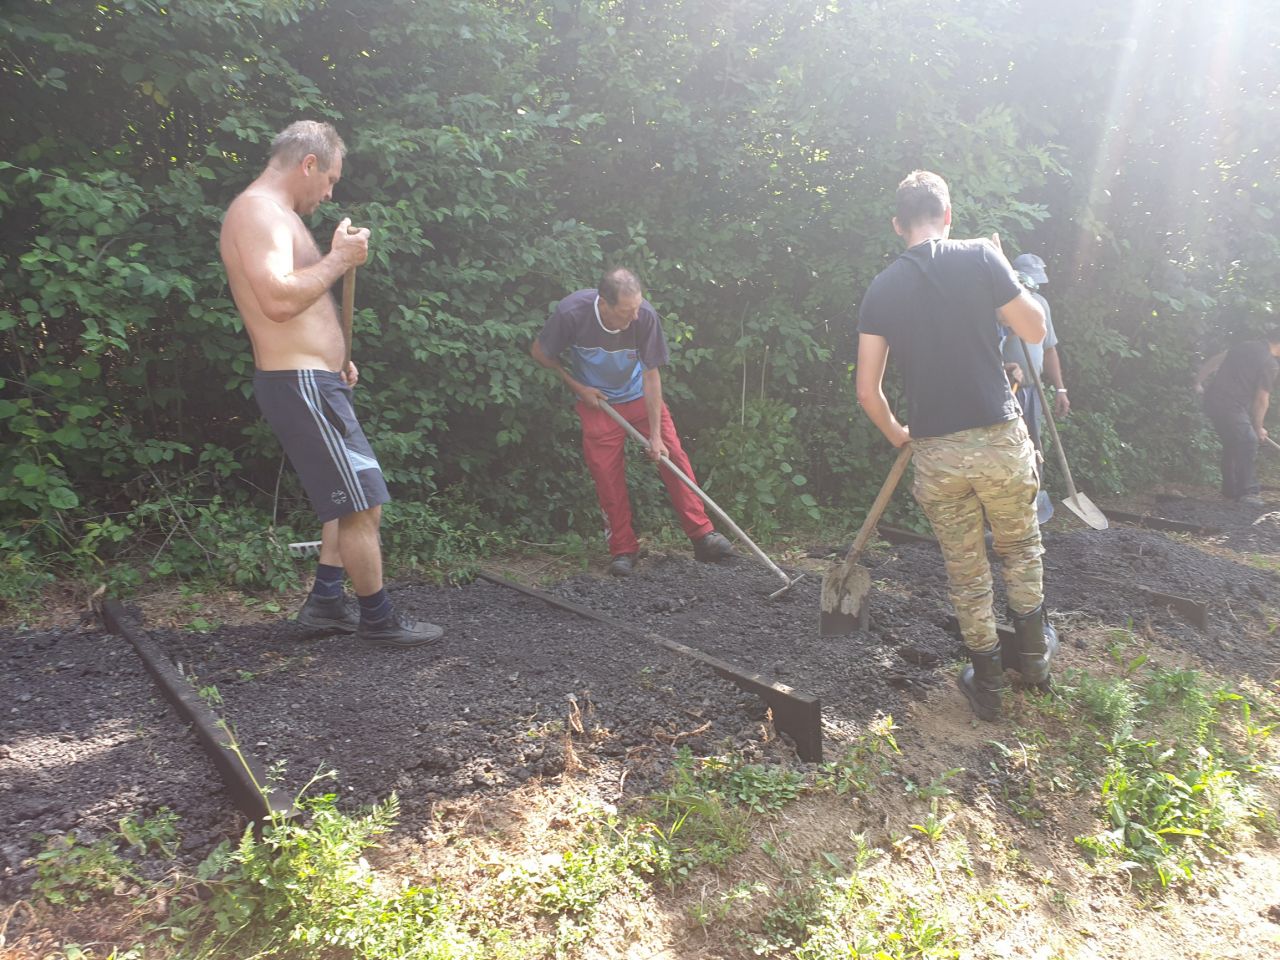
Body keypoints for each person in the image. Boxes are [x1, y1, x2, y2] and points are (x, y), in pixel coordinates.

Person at [219, 120, 442, 648]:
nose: (329, 193)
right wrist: (340, 258)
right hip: (299, 382)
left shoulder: (276, 215)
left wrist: (335, 356)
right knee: (361, 503)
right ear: (308, 164)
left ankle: (325, 601)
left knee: (357, 497)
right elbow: (276, 299)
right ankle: (378, 620)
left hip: (316, 380)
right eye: (330, 179)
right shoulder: (258, 212)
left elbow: (297, 299)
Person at [855, 170, 1056, 721]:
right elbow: (1034, 330)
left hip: (937, 452)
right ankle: (1034, 662)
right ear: (948, 215)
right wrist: (1004, 268)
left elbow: (867, 392)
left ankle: (987, 683)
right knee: (1020, 548)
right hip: (999, 440)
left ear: (897, 224)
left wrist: (898, 434)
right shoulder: (981, 257)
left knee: (966, 569)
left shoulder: (881, 289)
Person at [531, 268, 733, 576]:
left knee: (674, 457)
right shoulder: (572, 313)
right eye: (627, 311)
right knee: (606, 474)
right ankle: (623, 549)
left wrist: (656, 437)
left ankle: (702, 535)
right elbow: (540, 352)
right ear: (604, 303)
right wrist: (578, 387)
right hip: (599, 403)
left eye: (637, 307)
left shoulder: (645, 316)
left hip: (640, 396)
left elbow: (652, 376)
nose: (635, 316)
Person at [1193, 329, 1280, 507]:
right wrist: (1258, 427)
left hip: (1213, 400)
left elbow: (1216, 360)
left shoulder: (1246, 346)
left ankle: (1230, 490)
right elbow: (1261, 399)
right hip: (1230, 405)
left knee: (1233, 443)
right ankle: (1248, 492)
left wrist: (1198, 381)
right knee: (1248, 441)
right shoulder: (1269, 363)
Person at [1001, 253, 1070, 453]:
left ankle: (1036, 475)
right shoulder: (1000, 306)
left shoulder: (1040, 304)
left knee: (1033, 446)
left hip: (1033, 389)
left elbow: (1049, 349)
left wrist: (1060, 390)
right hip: (1006, 390)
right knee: (1009, 447)